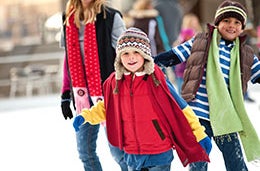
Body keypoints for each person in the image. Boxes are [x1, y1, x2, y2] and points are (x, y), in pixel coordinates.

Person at [73, 27, 212, 171]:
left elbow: (180, 108)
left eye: (136, 53)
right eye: (125, 53)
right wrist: (86, 116)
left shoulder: (156, 80)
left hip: (159, 151)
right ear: (119, 57)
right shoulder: (115, 82)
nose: (131, 57)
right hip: (132, 153)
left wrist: (199, 133)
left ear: (145, 55)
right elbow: (107, 107)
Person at [154, 1, 260, 171]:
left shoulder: (245, 54)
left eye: (237, 22)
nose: (231, 26)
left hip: (226, 117)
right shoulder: (201, 41)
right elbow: (175, 55)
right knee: (199, 159)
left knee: (235, 162)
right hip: (199, 114)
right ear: (217, 23)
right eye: (227, 21)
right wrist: (152, 62)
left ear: (242, 27)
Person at [59, 0, 127, 170]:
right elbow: (68, 59)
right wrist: (65, 94)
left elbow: (125, 57)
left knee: (119, 153)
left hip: (109, 95)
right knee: (85, 152)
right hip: (81, 95)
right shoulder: (67, 19)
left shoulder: (111, 17)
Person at [173, 13, 202, 94]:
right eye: (193, 22)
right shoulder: (188, 32)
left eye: (196, 21)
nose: (195, 24)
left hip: (182, 67)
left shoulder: (183, 33)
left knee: (181, 90)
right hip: (186, 68)